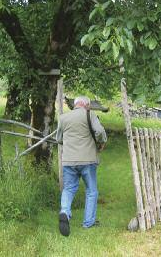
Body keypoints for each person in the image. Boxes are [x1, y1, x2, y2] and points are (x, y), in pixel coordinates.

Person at [56, 96, 107, 236]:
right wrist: (102, 142)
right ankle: (88, 222)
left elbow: (59, 139)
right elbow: (100, 132)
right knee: (91, 190)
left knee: (69, 188)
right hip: (87, 160)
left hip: (68, 160)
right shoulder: (90, 115)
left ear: (76, 104)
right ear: (87, 105)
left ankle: (65, 211)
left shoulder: (63, 117)